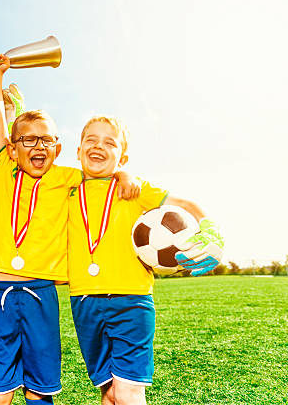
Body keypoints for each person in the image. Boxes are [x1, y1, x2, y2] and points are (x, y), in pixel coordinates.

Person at [0, 57, 138, 405]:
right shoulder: (4, 168)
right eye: (28, 140)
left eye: (46, 141)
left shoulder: (65, 176)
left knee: (40, 388)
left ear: (58, 148)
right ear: (13, 147)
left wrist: (127, 174)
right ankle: (17, 109)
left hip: (41, 293)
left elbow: (102, 166)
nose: (37, 147)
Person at [67, 116, 224, 405]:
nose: (98, 146)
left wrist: (210, 228)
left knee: (129, 392)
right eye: (91, 140)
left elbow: (187, 205)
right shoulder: (65, 190)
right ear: (77, 150)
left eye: (109, 142)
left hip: (131, 300)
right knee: (110, 391)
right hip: (84, 300)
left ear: (122, 157)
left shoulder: (135, 190)